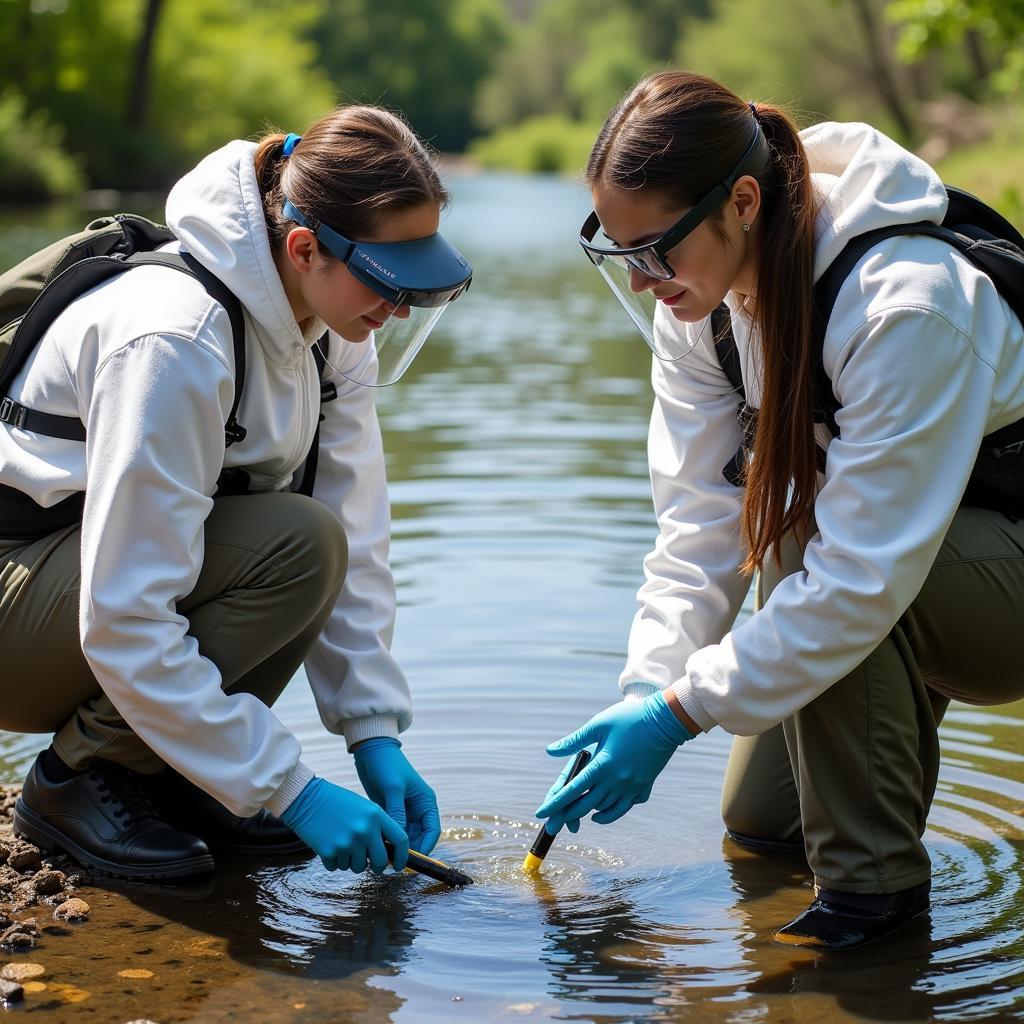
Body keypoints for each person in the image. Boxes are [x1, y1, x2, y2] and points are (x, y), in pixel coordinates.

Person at [536, 70, 1024, 950]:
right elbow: (698, 527)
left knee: (799, 535)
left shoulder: (903, 305)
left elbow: (857, 580)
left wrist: (680, 713)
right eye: (620, 252)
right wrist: (651, 685)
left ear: (745, 201)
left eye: (657, 250)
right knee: (764, 828)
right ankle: (837, 846)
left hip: (998, 574)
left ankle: (872, 915)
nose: (644, 282)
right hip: (909, 559)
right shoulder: (700, 305)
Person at [0, 105, 472, 880]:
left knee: (318, 541)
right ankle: (77, 781)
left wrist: (374, 732)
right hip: (18, 602)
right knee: (294, 543)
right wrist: (290, 788)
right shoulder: (176, 341)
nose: (401, 308)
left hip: (81, 587)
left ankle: (172, 775)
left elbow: (356, 536)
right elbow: (125, 617)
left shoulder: (334, 326)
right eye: (390, 282)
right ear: (303, 247)